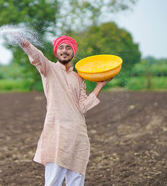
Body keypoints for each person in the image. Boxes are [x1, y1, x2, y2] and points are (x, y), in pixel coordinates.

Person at [13, 34, 110, 186]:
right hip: (57, 133)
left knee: (76, 180)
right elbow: (36, 55)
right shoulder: (48, 68)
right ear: (56, 52)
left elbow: (83, 107)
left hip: (78, 135)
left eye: (68, 48)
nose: (65, 51)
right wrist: (22, 41)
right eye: (61, 48)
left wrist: (99, 86)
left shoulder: (79, 77)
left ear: (73, 53)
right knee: (53, 181)